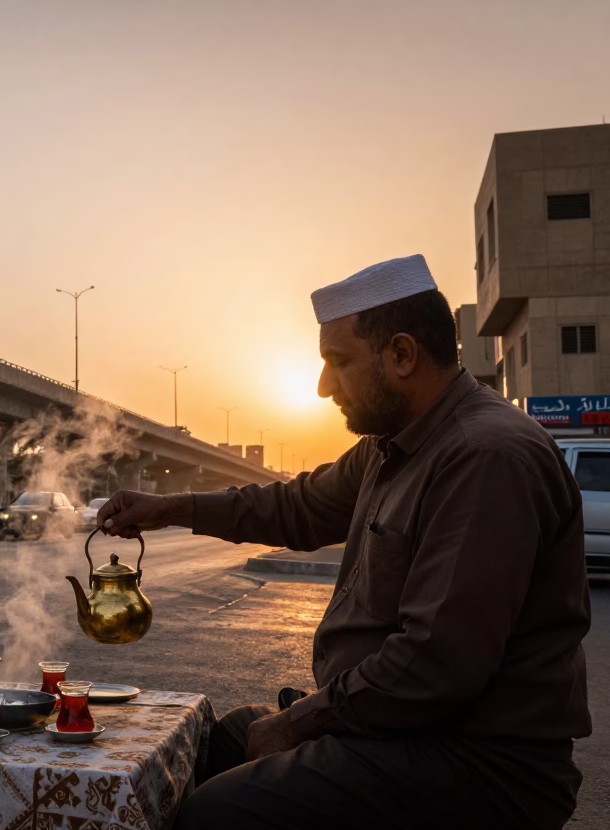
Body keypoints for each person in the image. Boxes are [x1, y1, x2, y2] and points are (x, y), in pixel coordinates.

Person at [98, 255, 590, 829]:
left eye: (339, 362)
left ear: (402, 355)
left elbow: (434, 665)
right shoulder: (393, 445)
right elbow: (296, 507)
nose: (324, 385)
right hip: (405, 732)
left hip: (474, 761)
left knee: (216, 813)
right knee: (225, 738)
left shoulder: (483, 456)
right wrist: (170, 509)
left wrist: (298, 722)